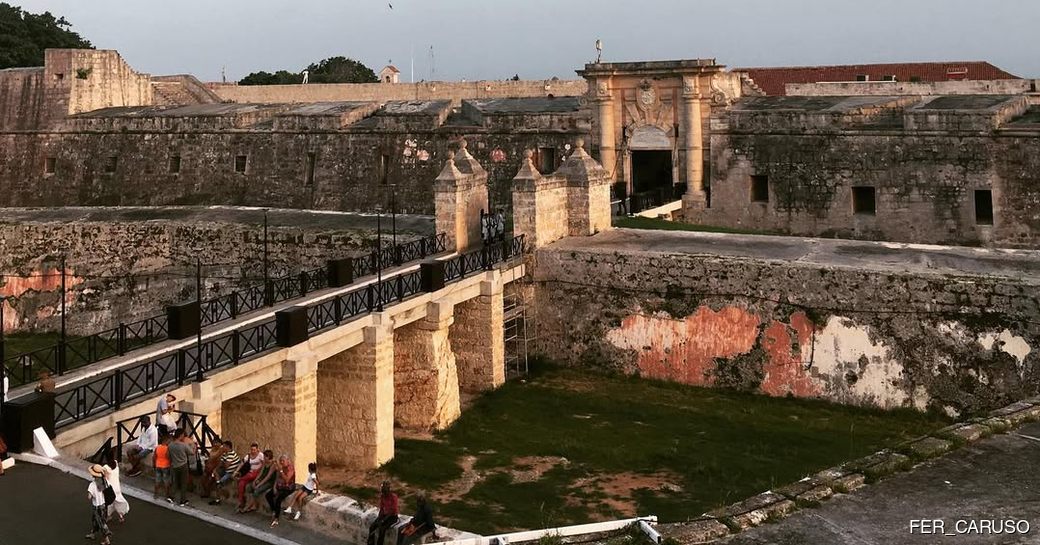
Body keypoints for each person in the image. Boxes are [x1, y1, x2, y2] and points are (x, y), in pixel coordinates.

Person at [240, 449, 276, 514]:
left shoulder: (273, 465)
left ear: (269, 457)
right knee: (249, 487)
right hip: (262, 479)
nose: (264, 458)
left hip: (269, 482)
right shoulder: (264, 463)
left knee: (256, 491)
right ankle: (253, 505)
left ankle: (248, 506)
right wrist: (255, 481)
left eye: (265, 457)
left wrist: (259, 485)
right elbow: (260, 473)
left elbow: (268, 477)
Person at [266, 455, 296, 526]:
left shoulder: (290, 468)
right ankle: (274, 510)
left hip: (288, 487)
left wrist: (281, 470)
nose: (282, 462)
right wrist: (274, 487)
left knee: (278, 499)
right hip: (280, 486)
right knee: (268, 495)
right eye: (280, 461)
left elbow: (287, 480)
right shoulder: (281, 468)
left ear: (287, 460)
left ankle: (276, 518)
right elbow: (277, 477)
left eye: (283, 461)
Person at [86, 464, 112, 545]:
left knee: (101, 523)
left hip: (97, 506)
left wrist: (90, 493)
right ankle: (93, 533)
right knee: (96, 520)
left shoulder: (92, 485)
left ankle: (107, 539)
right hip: (104, 505)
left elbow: (89, 497)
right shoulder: (105, 481)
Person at [167, 429, 195, 506]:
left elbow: (168, 456)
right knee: (183, 483)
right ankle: (183, 500)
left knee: (175, 482)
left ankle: (171, 496)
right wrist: (193, 446)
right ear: (181, 435)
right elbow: (192, 453)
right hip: (183, 466)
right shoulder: (183, 445)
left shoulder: (170, 445)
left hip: (174, 465)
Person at [210, 440, 242, 505]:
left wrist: (223, 463)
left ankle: (217, 500)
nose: (222, 448)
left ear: (227, 447)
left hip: (231, 472)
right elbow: (221, 463)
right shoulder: (225, 454)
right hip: (226, 470)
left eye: (224, 446)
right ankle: (218, 482)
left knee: (218, 485)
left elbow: (226, 466)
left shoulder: (231, 454)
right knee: (216, 473)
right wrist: (215, 469)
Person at [368, 480, 399, 545]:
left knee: (382, 529)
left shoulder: (393, 497)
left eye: (385, 492)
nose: (384, 494)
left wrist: (383, 520)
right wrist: (379, 518)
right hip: (384, 515)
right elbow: (382, 508)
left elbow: (392, 510)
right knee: (372, 527)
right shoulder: (383, 496)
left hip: (392, 517)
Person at [103, 455, 130, 523]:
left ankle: (108, 516)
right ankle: (121, 516)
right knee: (118, 501)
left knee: (109, 503)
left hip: (110, 488)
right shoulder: (116, 463)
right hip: (117, 487)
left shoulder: (105, 467)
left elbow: (105, 477)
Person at [237, 443, 264, 509]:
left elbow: (264, 464)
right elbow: (242, 463)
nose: (253, 451)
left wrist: (258, 469)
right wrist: (236, 471)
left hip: (257, 472)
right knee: (241, 484)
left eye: (254, 450)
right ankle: (241, 501)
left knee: (244, 478)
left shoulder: (260, 455)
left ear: (257, 449)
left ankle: (241, 479)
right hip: (250, 472)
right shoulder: (248, 456)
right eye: (252, 449)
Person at [153, 433, 172, 501]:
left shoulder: (157, 447)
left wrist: (154, 464)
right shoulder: (167, 448)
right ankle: (167, 495)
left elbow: (154, 457)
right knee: (166, 481)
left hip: (158, 465)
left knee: (157, 480)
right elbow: (168, 457)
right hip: (166, 466)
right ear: (166, 440)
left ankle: (156, 494)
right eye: (169, 440)